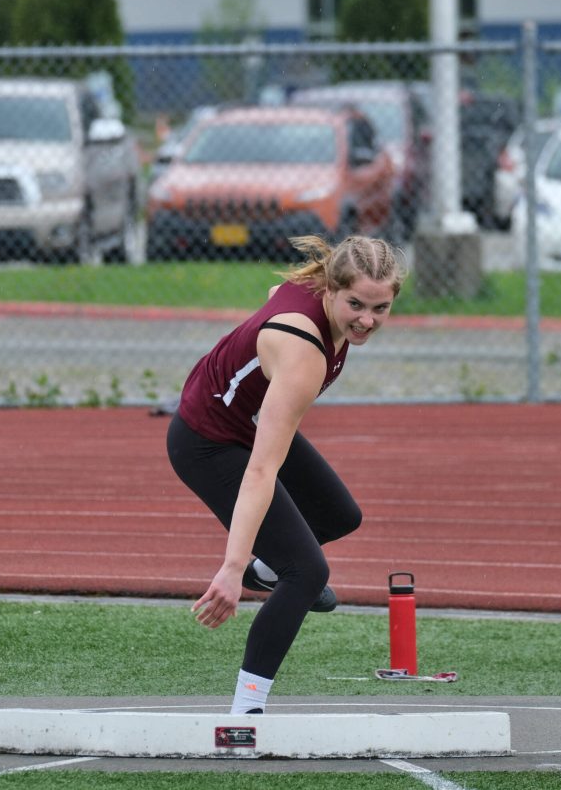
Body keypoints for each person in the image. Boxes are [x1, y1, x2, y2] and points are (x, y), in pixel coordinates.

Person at [166, 233, 405, 714]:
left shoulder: (320, 295)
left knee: (339, 516)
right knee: (308, 570)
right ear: (332, 290)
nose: (366, 320)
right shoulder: (304, 354)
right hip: (207, 442)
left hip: (244, 420)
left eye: (380, 309)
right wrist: (231, 570)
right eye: (356, 304)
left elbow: (273, 305)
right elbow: (260, 471)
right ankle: (246, 712)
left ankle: (266, 571)